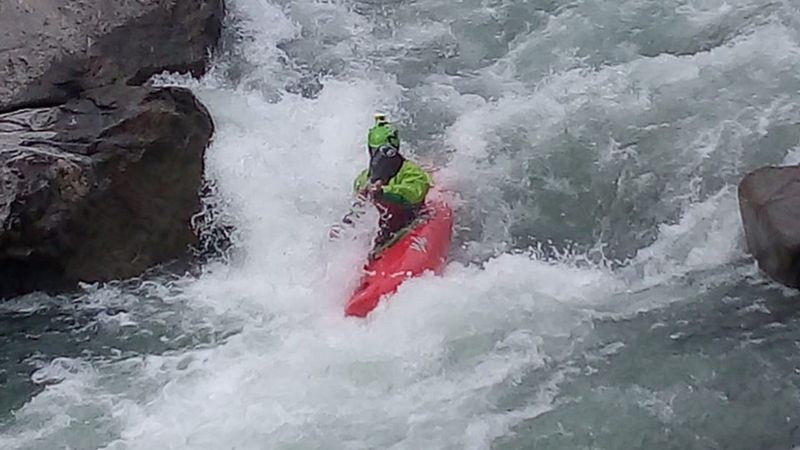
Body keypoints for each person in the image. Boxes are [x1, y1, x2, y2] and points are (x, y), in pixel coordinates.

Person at [332, 114, 432, 250]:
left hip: (406, 223)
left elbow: (415, 192)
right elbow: (359, 203)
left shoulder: (411, 171)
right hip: (380, 230)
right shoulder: (364, 177)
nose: (379, 159)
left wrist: (383, 192)